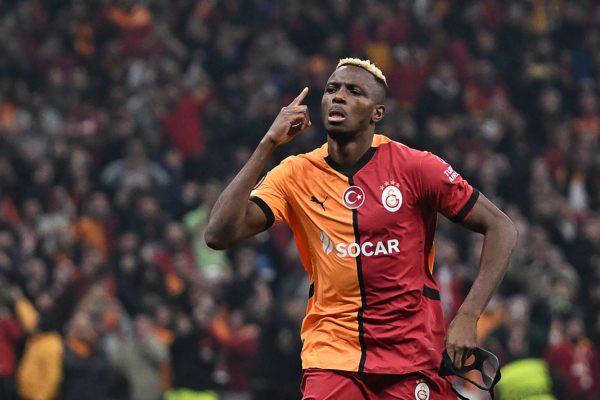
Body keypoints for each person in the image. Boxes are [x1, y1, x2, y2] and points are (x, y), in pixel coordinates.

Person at [205, 58, 518, 399]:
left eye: (354, 92)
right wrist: (267, 144)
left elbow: (501, 227)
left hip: (412, 358)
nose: (338, 97)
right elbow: (218, 234)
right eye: (331, 90)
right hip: (331, 360)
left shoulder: (416, 167)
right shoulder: (295, 174)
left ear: (377, 113)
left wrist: (468, 316)